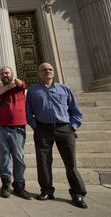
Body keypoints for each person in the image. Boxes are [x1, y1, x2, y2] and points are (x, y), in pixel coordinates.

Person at [26, 62, 88, 208]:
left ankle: (78, 194)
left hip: (64, 129)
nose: (48, 71)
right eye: (44, 70)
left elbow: (75, 110)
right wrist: (36, 127)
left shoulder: (64, 89)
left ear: (53, 72)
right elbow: (28, 112)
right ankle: (47, 190)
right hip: (43, 129)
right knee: (43, 162)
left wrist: (72, 127)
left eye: (50, 69)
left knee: (70, 163)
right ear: (39, 73)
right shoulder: (33, 91)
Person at [0, 66, 32, 199]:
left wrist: (15, 82)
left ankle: (19, 186)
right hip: (2, 128)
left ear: (12, 74)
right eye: (2, 73)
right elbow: (1, 91)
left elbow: (21, 84)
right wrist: (11, 84)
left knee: (18, 158)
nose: (5, 75)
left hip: (18, 128)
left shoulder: (20, 86)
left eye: (7, 73)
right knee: (4, 157)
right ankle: (5, 184)